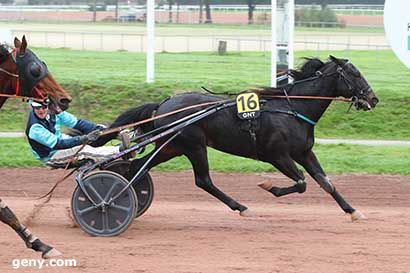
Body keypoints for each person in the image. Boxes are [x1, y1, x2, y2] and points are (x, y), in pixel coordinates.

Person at [26, 100, 118, 167]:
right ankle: (118, 151)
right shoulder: (35, 128)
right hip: (52, 155)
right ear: (32, 107)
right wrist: (84, 139)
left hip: (63, 141)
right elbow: (59, 144)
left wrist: (99, 129)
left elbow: (77, 123)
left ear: (48, 105)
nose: (41, 111)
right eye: (37, 108)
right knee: (84, 150)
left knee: (97, 131)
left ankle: (121, 138)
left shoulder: (54, 111)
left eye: (44, 107)